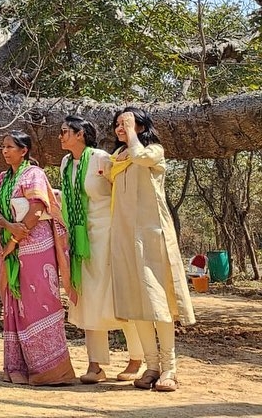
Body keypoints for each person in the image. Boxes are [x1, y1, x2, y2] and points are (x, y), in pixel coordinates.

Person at [109, 107, 195, 393]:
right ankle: (151, 366)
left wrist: (133, 133)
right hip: (124, 238)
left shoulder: (153, 151)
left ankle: (169, 368)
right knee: (137, 303)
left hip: (152, 236)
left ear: (142, 127)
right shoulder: (117, 160)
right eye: (118, 125)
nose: (121, 129)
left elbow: (141, 157)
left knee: (158, 303)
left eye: (127, 123)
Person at [58, 115, 144, 384]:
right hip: (80, 238)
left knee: (118, 295)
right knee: (87, 298)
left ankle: (137, 358)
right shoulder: (64, 163)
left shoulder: (100, 158)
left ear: (80, 134)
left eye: (65, 132)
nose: (60, 136)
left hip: (107, 233)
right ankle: (95, 364)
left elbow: (122, 189)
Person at [0, 130, 75, 386]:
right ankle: (18, 367)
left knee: (40, 301)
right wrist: (7, 225)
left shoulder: (33, 174)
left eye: (9, 147)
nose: (4, 151)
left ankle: (50, 369)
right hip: (9, 242)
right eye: (3, 147)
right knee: (15, 304)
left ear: (23, 150)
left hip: (36, 246)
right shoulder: (3, 178)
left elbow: (38, 208)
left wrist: (17, 236)